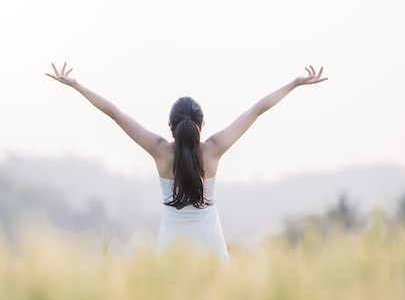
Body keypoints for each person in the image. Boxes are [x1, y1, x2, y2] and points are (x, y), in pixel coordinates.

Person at [46, 63, 327, 261]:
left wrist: (76, 85)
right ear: (201, 125)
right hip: (212, 250)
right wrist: (294, 83)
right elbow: (256, 111)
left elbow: (116, 114)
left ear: (170, 126)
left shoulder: (160, 151)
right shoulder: (214, 150)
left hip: (171, 251)